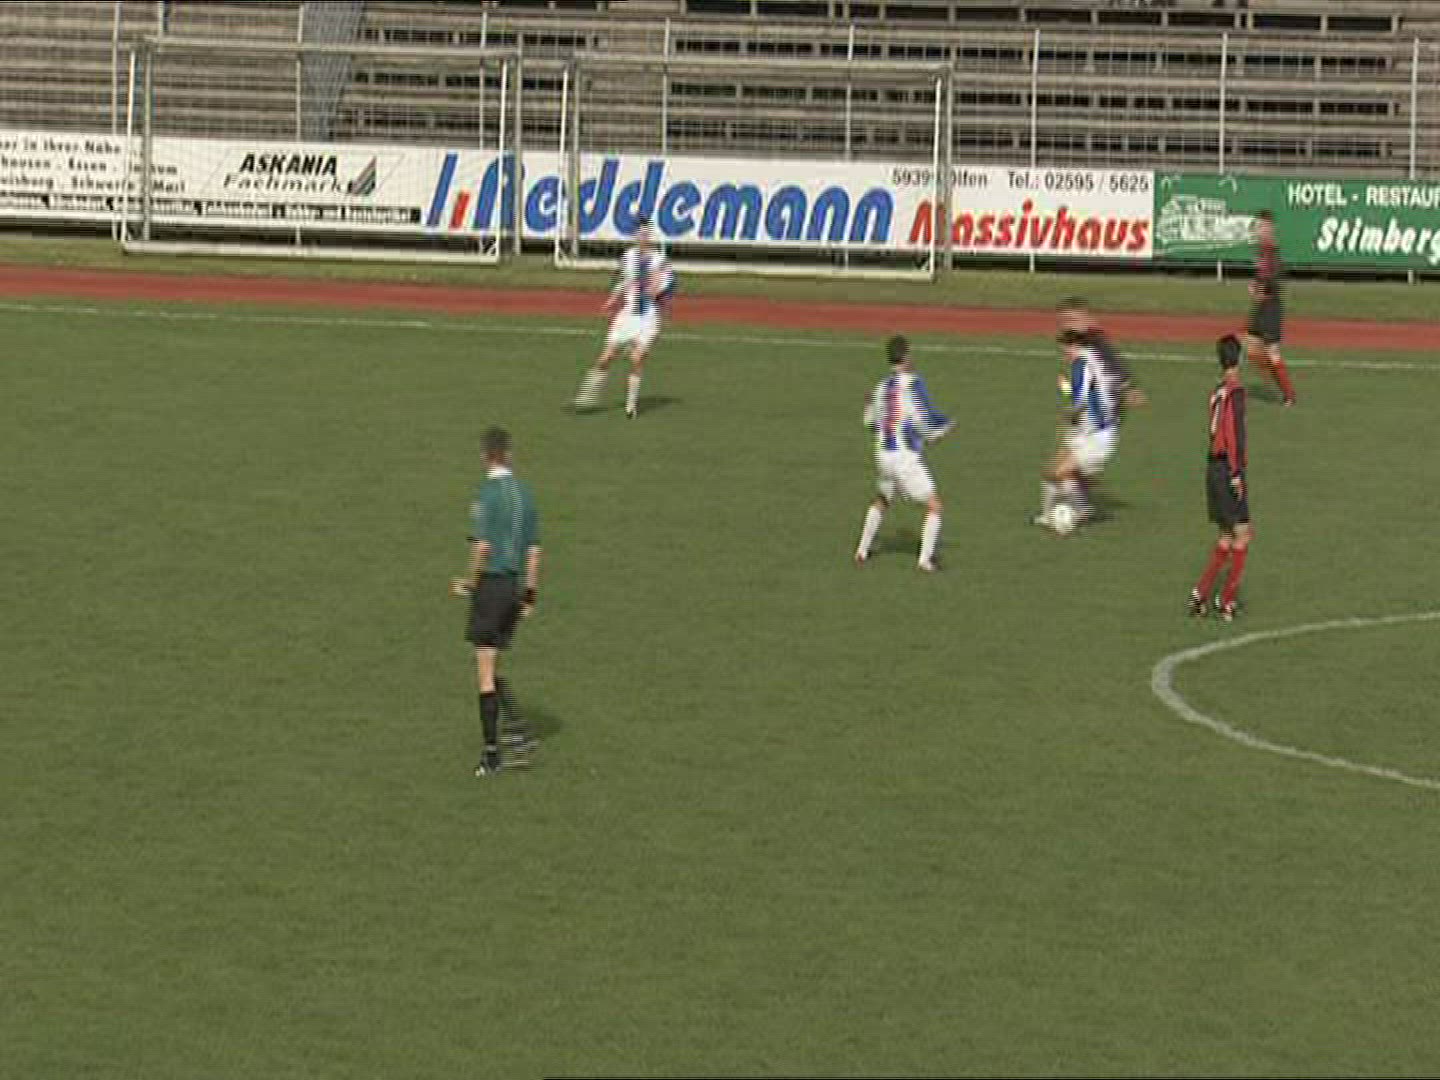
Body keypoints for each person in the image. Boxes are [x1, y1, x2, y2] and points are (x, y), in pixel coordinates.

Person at [451, 427, 542, 776]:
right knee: (493, 664)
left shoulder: (487, 495)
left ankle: (493, 754)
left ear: (485, 456)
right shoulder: (526, 494)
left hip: (491, 587)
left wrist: (469, 583)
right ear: (509, 453)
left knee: (485, 672)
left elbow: (483, 547)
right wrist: (530, 594)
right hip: (514, 589)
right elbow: (534, 551)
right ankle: (518, 731)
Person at [854, 335, 951, 573]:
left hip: (883, 454)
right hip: (903, 457)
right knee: (935, 506)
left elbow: (870, 423)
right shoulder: (912, 383)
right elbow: (923, 415)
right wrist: (942, 428)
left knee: (882, 499)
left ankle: (862, 550)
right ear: (906, 356)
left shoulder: (881, 387)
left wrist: (868, 405)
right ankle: (925, 560)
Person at [573, 218, 675, 418]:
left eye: (646, 234)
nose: (643, 237)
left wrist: (655, 289)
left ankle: (631, 405)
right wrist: (611, 300)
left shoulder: (659, 260)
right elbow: (623, 281)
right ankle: (588, 395)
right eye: (640, 234)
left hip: (648, 318)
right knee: (606, 357)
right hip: (627, 315)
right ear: (635, 236)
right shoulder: (628, 256)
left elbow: (663, 287)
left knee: (637, 359)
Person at [1189, 335, 1251, 621]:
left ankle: (1200, 594)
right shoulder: (1236, 393)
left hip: (1212, 468)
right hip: (1227, 468)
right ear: (1240, 359)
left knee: (1227, 534)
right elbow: (1233, 434)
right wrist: (1236, 473)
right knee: (1243, 534)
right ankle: (1226, 600)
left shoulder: (1217, 392)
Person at [1034, 328, 1119, 533]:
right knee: (1061, 473)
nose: (1063, 353)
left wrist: (1068, 416)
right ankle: (1062, 512)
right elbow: (1092, 393)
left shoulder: (1081, 364)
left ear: (1074, 346)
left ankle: (1072, 512)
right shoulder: (1092, 362)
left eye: (1064, 348)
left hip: (1095, 435)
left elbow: (1081, 401)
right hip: (1088, 431)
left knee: (1056, 474)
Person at [1243, 209, 1296, 406]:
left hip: (1271, 307)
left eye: (1262, 226)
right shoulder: (1263, 251)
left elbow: (1276, 277)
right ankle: (1273, 378)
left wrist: (1259, 287)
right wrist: (1256, 285)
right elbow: (1263, 276)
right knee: (1250, 346)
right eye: (1258, 226)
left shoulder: (1272, 251)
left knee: (1272, 351)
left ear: (1270, 228)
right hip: (1262, 306)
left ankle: (1288, 395)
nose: (1258, 230)